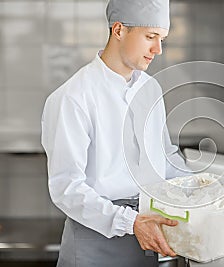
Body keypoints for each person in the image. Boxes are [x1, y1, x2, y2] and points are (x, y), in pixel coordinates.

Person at [41, 0, 189, 266]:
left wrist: (207, 188)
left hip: (146, 232)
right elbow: (67, 188)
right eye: (150, 37)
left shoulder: (150, 88)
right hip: (94, 241)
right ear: (119, 30)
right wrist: (129, 222)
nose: (158, 49)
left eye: (162, 39)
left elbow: (165, 158)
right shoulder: (73, 97)